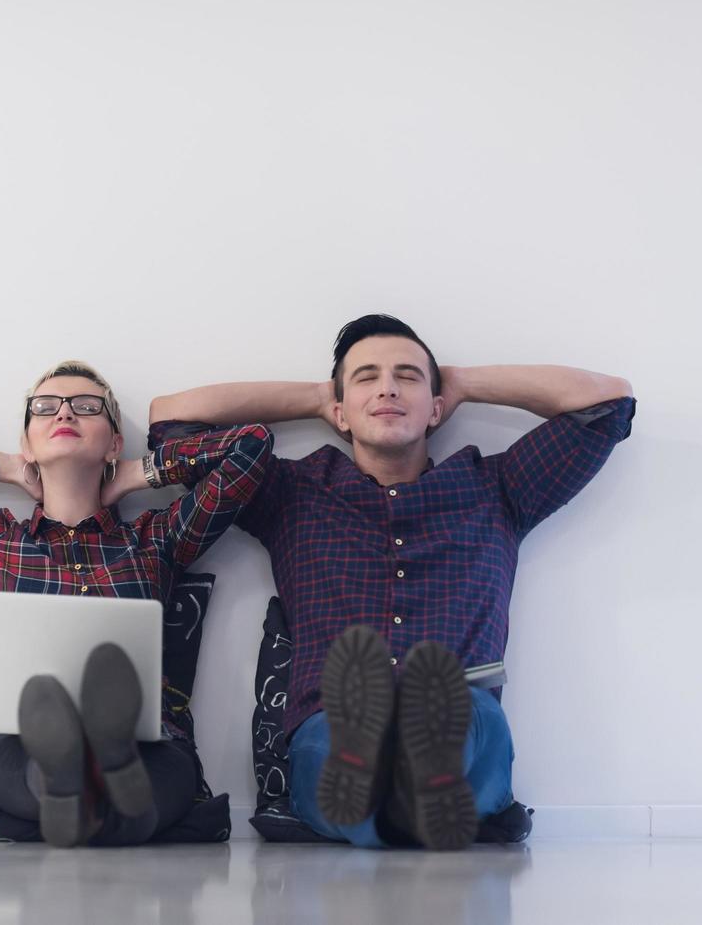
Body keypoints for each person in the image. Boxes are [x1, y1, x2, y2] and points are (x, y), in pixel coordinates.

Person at [149, 314, 635, 850]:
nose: (387, 387)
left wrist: (463, 384)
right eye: (366, 378)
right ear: (340, 412)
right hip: (336, 725)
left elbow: (608, 404)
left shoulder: (497, 488)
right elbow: (173, 423)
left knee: (462, 714)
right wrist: (318, 396)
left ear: (436, 408)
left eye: (407, 376)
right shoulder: (292, 494)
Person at [0, 361, 271, 847]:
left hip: (145, 744)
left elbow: (251, 447)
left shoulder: (155, 541)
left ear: (114, 442)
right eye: (46, 407)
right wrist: (5, 464)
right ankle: (89, 795)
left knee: (168, 772)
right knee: (10, 764)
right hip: (24, 742)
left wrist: (143, 472)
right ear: (29, 438)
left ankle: (84, 790)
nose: (65, 414)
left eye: (86, 407)